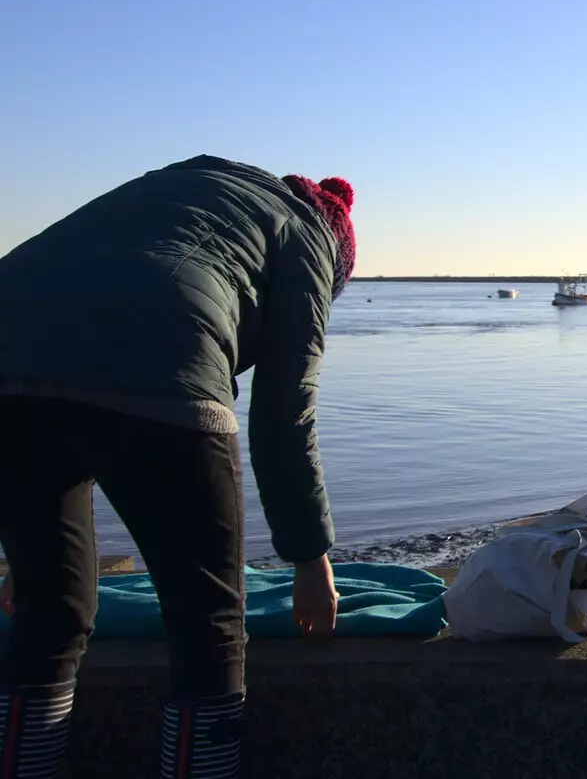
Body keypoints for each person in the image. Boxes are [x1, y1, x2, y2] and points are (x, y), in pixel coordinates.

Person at [0, 155, 357, 779]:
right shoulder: (309, 236)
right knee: (207, 623)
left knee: (45, 615)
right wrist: (309, 560)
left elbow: (66, 346)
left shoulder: (192, 183)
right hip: (167, 363)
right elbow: (284, 415)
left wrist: (24, 555)